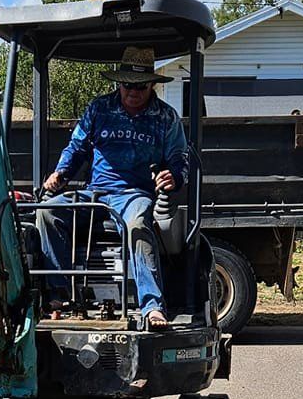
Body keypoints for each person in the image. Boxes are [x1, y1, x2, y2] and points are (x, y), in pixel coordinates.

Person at [38, 44, 190, 328]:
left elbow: (180, 160)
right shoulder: (99, 109)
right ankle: (58, 295)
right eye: (127, 85)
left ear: (151, 85)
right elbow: (77, 147)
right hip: (95, 194)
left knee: (138, 224)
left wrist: (173, 176)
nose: (133, 92)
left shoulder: (165, 118)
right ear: (119, 83)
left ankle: (151, 306)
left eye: (140, 86)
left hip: (134, 195)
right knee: (47, 211)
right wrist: (60, 173)